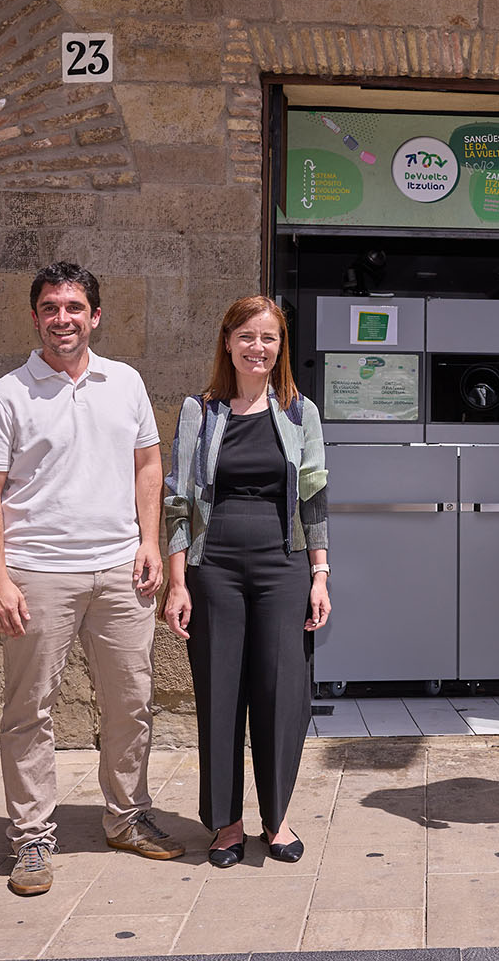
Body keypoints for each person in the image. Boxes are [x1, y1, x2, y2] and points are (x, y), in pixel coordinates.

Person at [0, 261, 183, 896]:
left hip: (121, 570)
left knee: (131, 702)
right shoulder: (7, 395)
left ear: (96, 315)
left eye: (75, 307)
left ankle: (127, 816)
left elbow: (149, 464)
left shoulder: (126, 382)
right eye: (51, 308)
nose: (63, 319)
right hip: (37, 573)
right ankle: (32, 837)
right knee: (29, 710)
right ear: (34, 317)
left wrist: (149, 540)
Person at [163, 295, 331, 868]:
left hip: (283, 564)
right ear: (228, 342)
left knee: (281, 693)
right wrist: (177, 581)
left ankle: (276, 817)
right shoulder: (201, 411)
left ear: (281, 348)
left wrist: (320, 574)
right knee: (220, 693)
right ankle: (226, 823)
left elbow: (314, 497)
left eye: (269, 338)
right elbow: (179, 498)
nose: (258, 348)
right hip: (215, 568)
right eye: (247, 337)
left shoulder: (298, 411)